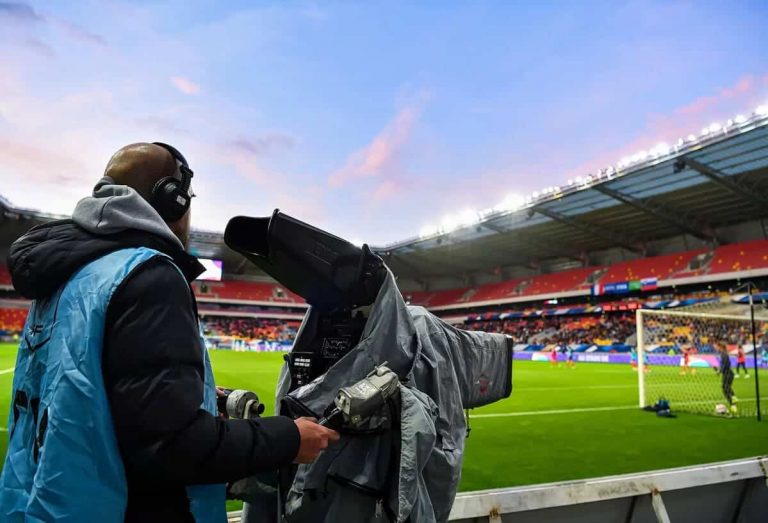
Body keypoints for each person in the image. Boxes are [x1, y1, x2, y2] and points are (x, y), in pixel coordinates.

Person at [1, 143, 339, 522]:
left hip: (44, 503)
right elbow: (172, 446)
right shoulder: (147, 275)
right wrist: (289, 438)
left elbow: (99, 404)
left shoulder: (67, 272)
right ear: (173, 199)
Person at [715, 343, 737, 413]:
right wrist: (719, 370)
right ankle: (733, 402)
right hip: (728, 373)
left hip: (728, 374)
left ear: (720, 347)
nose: (716, 348)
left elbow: (724, 365)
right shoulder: (724, 354)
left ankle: (733, 400)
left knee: (725, 388)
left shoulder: (723, 354)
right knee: (725, 388)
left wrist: (719, 371)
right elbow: (726, 364)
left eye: (717, 347)